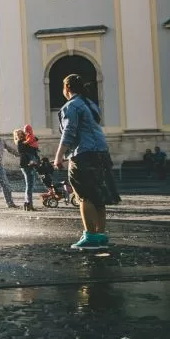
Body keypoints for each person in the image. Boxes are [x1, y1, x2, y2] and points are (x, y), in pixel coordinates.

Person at [54, 74, 112, 250]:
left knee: (84, 195)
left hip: (83, 154)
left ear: (67, 88)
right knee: (98, 195)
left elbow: (69, 131)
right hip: (101, 153)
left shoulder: (71, 106)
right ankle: (100, 235)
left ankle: (90, 236)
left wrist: (58, 156)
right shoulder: (90, 104)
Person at [13, 126, 41, 212]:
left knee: (30, 185)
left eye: (21, 133)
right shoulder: (20, 142)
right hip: (26, 165)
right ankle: (29, 204)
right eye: (18, 134)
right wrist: (33, 140)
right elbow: (30, 149)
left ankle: (28, 203)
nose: (20, 135)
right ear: (16, 136)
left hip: (29, 164)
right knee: (29, 185)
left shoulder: (26, 141)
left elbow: (35, 141)